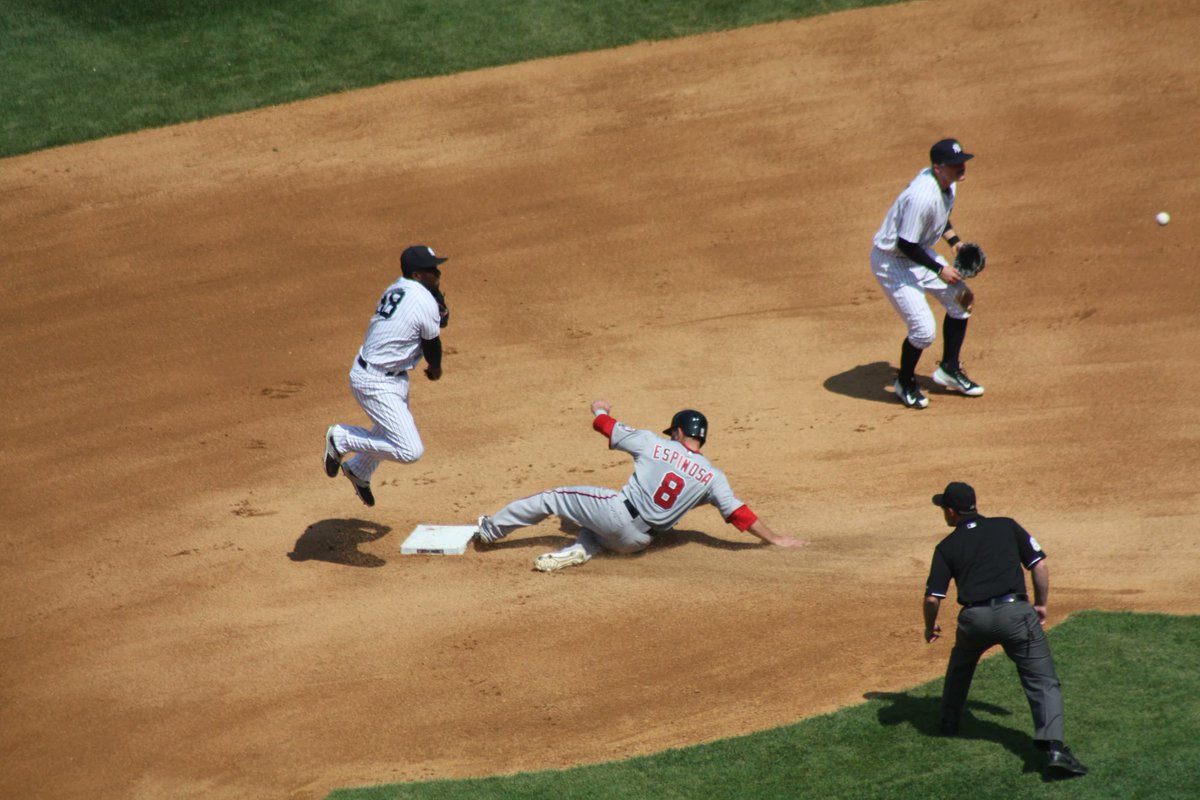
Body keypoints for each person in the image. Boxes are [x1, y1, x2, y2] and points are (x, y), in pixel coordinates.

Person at [476, 400, 808, 572]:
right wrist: (776, 539)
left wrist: (599, 407)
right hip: (636, 542)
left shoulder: (653, 443)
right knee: (593, 530)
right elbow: (740, 514)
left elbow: (604, 425)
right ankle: (579, 550)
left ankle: (490, 530)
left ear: (677, 432)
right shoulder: (713, 477)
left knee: (552, 498)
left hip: (615, 512)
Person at [922, 481, 1088, 777]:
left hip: (974, 620)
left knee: (961, 663)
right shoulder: (1007, 526)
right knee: (1041, 680)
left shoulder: (946, 546)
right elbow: (1039, 566)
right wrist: (1041, 604)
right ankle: (1054, 749)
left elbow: (932, 598)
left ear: (951, 512)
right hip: (1015, 614)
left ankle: (948, 722)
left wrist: (929, 625)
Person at [322, 244, 450, 507]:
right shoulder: (422, 299)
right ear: (417, 274)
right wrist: (435, 369)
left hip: (387, 376)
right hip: (375, 381)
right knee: (409, 450)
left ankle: (359, 470)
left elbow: (434, 320)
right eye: (430, 269)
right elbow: (432, 344)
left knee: (388, 427)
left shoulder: (398, 287)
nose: (437, 272)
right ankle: (342, 438)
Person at [871, 138, 984, 409]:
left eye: (962, 162)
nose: (961, 167)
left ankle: (949, 368)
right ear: (937, 168)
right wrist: (940, 269)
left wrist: (955, 243)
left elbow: (941, 217)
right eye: (955, 164)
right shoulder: (921, 197)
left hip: (916, 253)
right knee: (923, 331)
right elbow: (905, 244)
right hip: (893, 262)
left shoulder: (949, 184)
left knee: (962, 301)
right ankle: (905, 382)